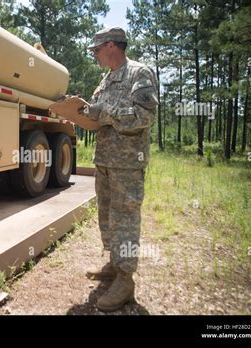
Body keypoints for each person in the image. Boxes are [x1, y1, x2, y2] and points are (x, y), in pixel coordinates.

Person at [81, 27, 158, 312]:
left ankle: (126, 281)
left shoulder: (140, 73)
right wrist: (82, 114)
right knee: (108, 216)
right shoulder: (106, 79)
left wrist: (106, 113)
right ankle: (115, 264)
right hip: (105, 161)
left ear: (111, 45)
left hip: (126, 163)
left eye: (96, 50)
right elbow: (100, 115)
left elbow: (145, 116)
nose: (94, 55)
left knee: (125, 219)